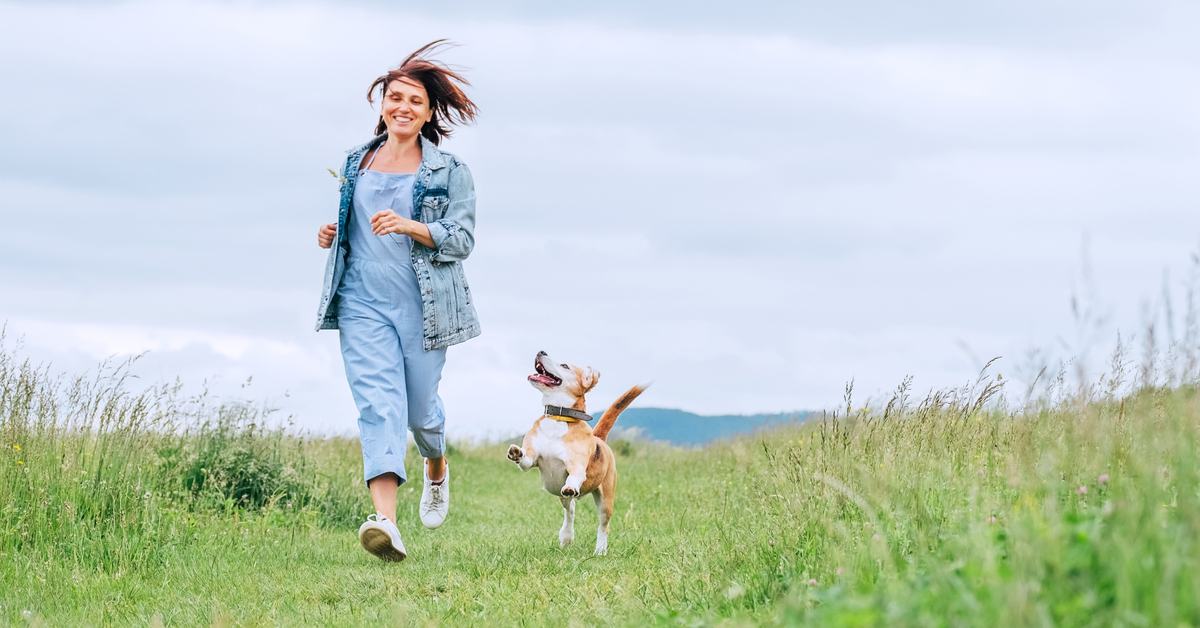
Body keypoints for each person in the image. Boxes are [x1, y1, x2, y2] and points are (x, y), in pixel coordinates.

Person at [315, 41, 480, 562]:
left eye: (414, 101)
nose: (402, 107)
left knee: (421, 413)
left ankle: (436, 466)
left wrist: (412, 226)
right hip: (362, 302)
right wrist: (332, 232)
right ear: (381, 103)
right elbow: (356, 226)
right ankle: (384, 521)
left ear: (429, 112)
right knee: (378, 406)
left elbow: (462, 240)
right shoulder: (356, 160)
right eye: (395, 97)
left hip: (424, 307)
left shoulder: (449, 171)